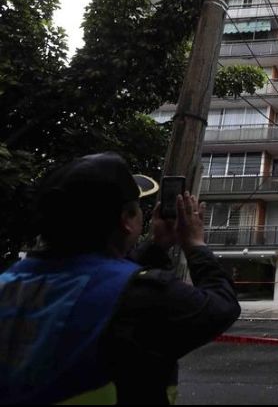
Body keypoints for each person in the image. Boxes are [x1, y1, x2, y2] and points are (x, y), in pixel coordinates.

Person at [0, 152, 241, 405]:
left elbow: (98, 278)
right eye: (138, 208)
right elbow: (221, 306)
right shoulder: (142, 296)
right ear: (126, 219)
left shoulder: (8, 283)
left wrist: (156, 247)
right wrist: (194, 244)